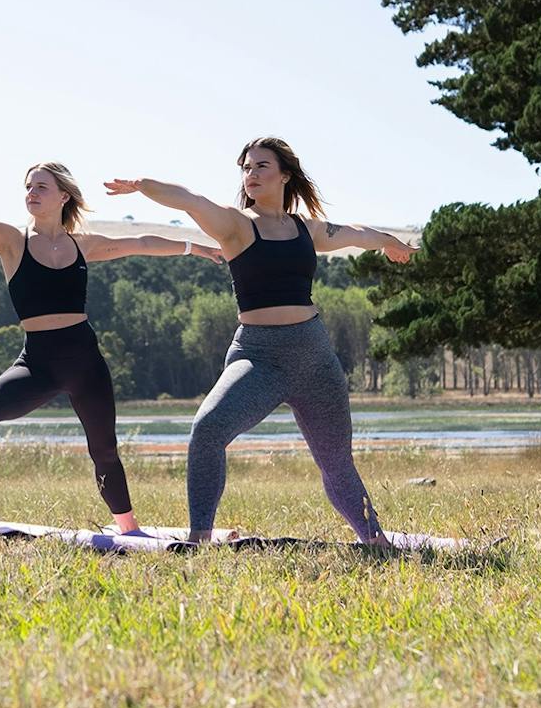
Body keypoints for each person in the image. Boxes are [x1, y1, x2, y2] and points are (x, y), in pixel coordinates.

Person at [0, 163, 222, 531]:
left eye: (42, 186)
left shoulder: (82, 244)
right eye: (28, 186)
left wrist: (197, 248)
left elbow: (141, 244)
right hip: (37, 363)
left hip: (85, 361)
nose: (32, 193)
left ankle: (128, 527)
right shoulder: (11, 241)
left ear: (63, 196)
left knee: (104, 450)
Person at [105, 137, 415, 543]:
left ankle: (374, 541)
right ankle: (200, 539)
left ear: (285, 174)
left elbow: (354, 233)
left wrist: (391, 243)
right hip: (259, 355)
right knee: (208, 430)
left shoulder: (306, 228)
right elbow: (191, 201)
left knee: (336, 461)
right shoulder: (236, 226)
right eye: (246, 168)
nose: (251, 175)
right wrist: (143, 184)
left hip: (314, 356)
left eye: (261, 166)